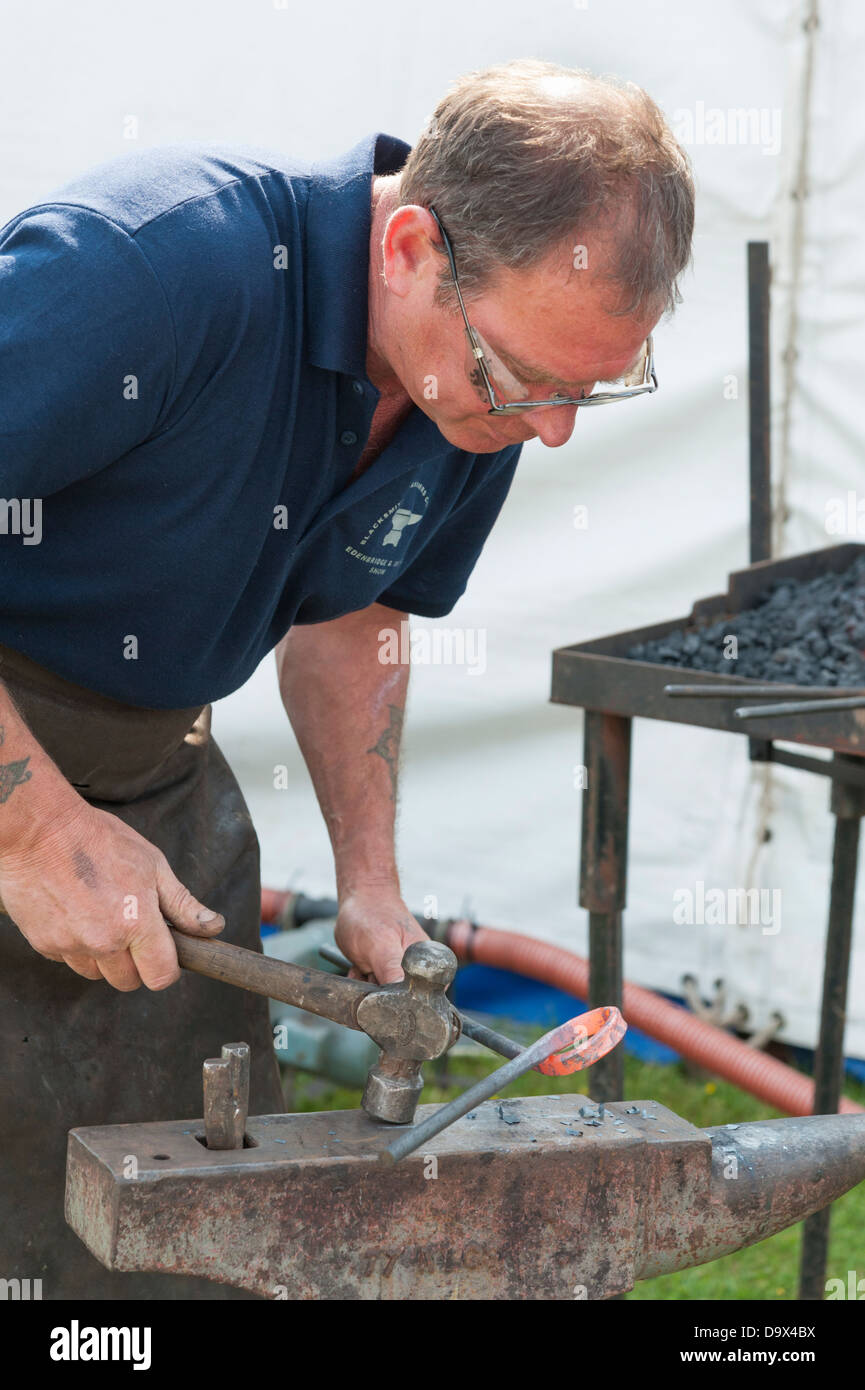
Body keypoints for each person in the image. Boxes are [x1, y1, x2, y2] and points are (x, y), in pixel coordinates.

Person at [0, 58, 693, 1298]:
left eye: (588, 391)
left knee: (190, 1238)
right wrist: (35, 824)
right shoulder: (147, 270)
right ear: (411, 246)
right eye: (524, 379)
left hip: (159, 792)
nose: (550, 431)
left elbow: (356, 606)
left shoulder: (477, 391)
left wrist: (371, 884)